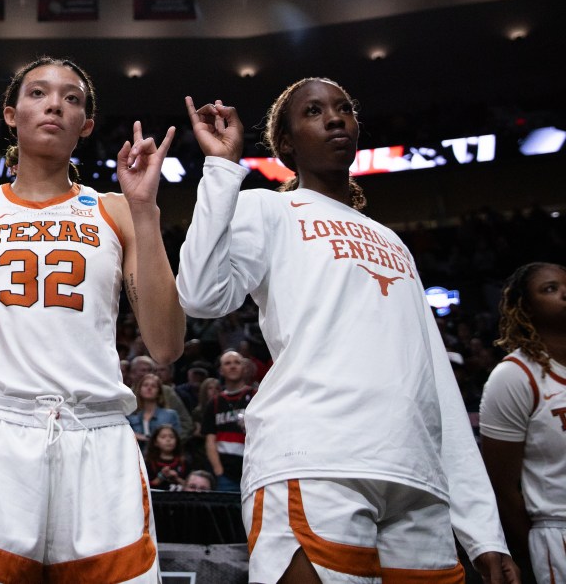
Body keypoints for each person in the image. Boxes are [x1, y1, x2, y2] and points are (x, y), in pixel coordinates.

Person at [176, 79, 519, 582]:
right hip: (315, 459)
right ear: (286, 143)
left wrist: (483, 530)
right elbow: (202, 294)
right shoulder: (269, 209)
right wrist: (223, 169)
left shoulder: (393, 241)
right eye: (314, 111)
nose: (335, 118)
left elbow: (438, 385)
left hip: (415, 476)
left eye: (344, 109)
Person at [0, 56, 185, 583]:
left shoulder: (115, 211)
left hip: (98, 433)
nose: (55, 105)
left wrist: (146, 211)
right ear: (11, 114)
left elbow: (166, 344)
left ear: (85, 125)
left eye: (72, 98)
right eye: (39, 93)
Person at [480, 262, 566, 583]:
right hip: (557, 532)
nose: (564, 293)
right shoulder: (515, 376)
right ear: (525, 308)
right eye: (550, 288)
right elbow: (502, 486)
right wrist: (531, 549)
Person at [205, 350, 256, 493]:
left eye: (237, 362)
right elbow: (210, 440)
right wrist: (218, 471)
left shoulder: (256, 397)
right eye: (228, 363)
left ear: (244, 368)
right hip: (225, 474)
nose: (233, 366)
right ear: (221, 370)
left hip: (253, 470)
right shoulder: (214, 402)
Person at [129, 373, 182, 450]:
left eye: (153, 386)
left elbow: (177, 440)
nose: (149, 388)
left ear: (159, 392)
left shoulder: (170, 415)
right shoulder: (130, 417)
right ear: (139, 390)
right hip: (137, 457)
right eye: (145, 385)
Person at [145, 424, 189, 490]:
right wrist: (161, 476)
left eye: (172, 437)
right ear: (155, 442)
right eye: (163, 437)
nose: (168, 440)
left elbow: (190, 485)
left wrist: (177, 478)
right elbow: (144, 486)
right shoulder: (149, 462)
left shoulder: (183, 461)